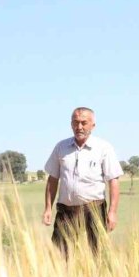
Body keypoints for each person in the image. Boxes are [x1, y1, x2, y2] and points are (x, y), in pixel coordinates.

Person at [42, 107, 122, 256]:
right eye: (75, 122)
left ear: (93, 125)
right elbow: (52, 179)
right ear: (71, 124)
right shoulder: (61, 147)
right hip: (66, 210)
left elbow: (113, 181)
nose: (79, 127)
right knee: (58, 256)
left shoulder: (103, 148)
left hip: (94, 209)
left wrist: (112, 212)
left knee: (97, 255)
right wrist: (48, 208)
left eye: (84, 123)